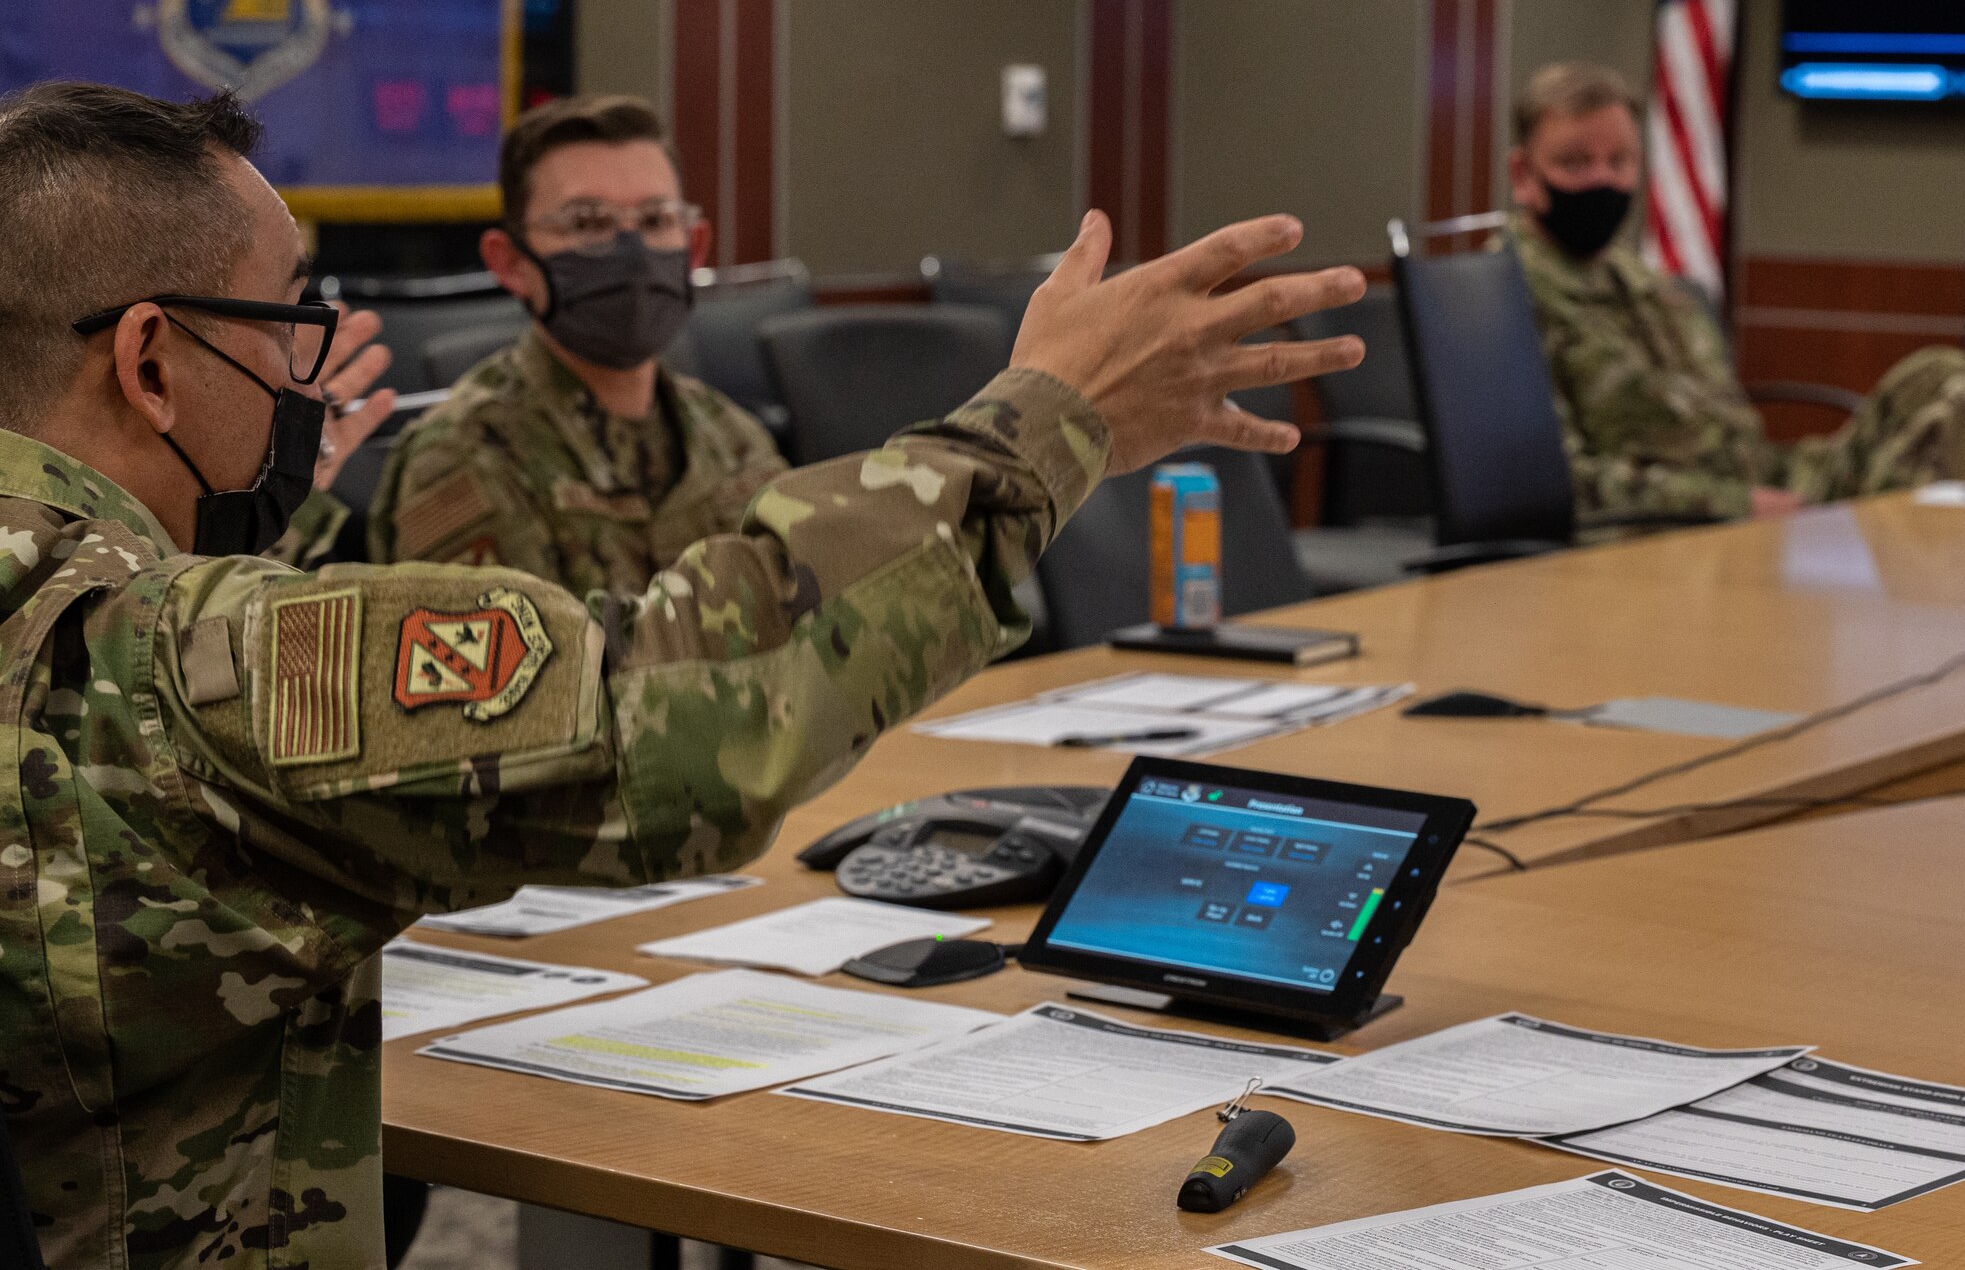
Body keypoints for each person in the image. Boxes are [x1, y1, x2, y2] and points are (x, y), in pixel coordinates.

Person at [0, 81, 1366, 1269]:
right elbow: (678, 713)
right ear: (149, 361)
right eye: (287, 323)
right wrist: (1041, 428)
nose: (307, 372)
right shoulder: (162, 665)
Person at [1505, 61, 1965, 521]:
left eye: (1619, 161)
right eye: (1575, 163)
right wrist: (1740, 504)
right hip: (1672, 523)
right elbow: (1553, 481)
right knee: (1896, 519)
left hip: (1764, 485)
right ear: (1523, 176)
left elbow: (1731, 433)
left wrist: (1772, 493)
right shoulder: (1500, 296)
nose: (1602, 180)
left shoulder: (1645, 284)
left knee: (1942, 379)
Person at [368, 95, 788, 594]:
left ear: (693, 248)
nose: (631, 254)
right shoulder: (462, 456)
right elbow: (520, 668)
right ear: (511, 263)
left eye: (655, 221)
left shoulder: (736, 439)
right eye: (587, 224)